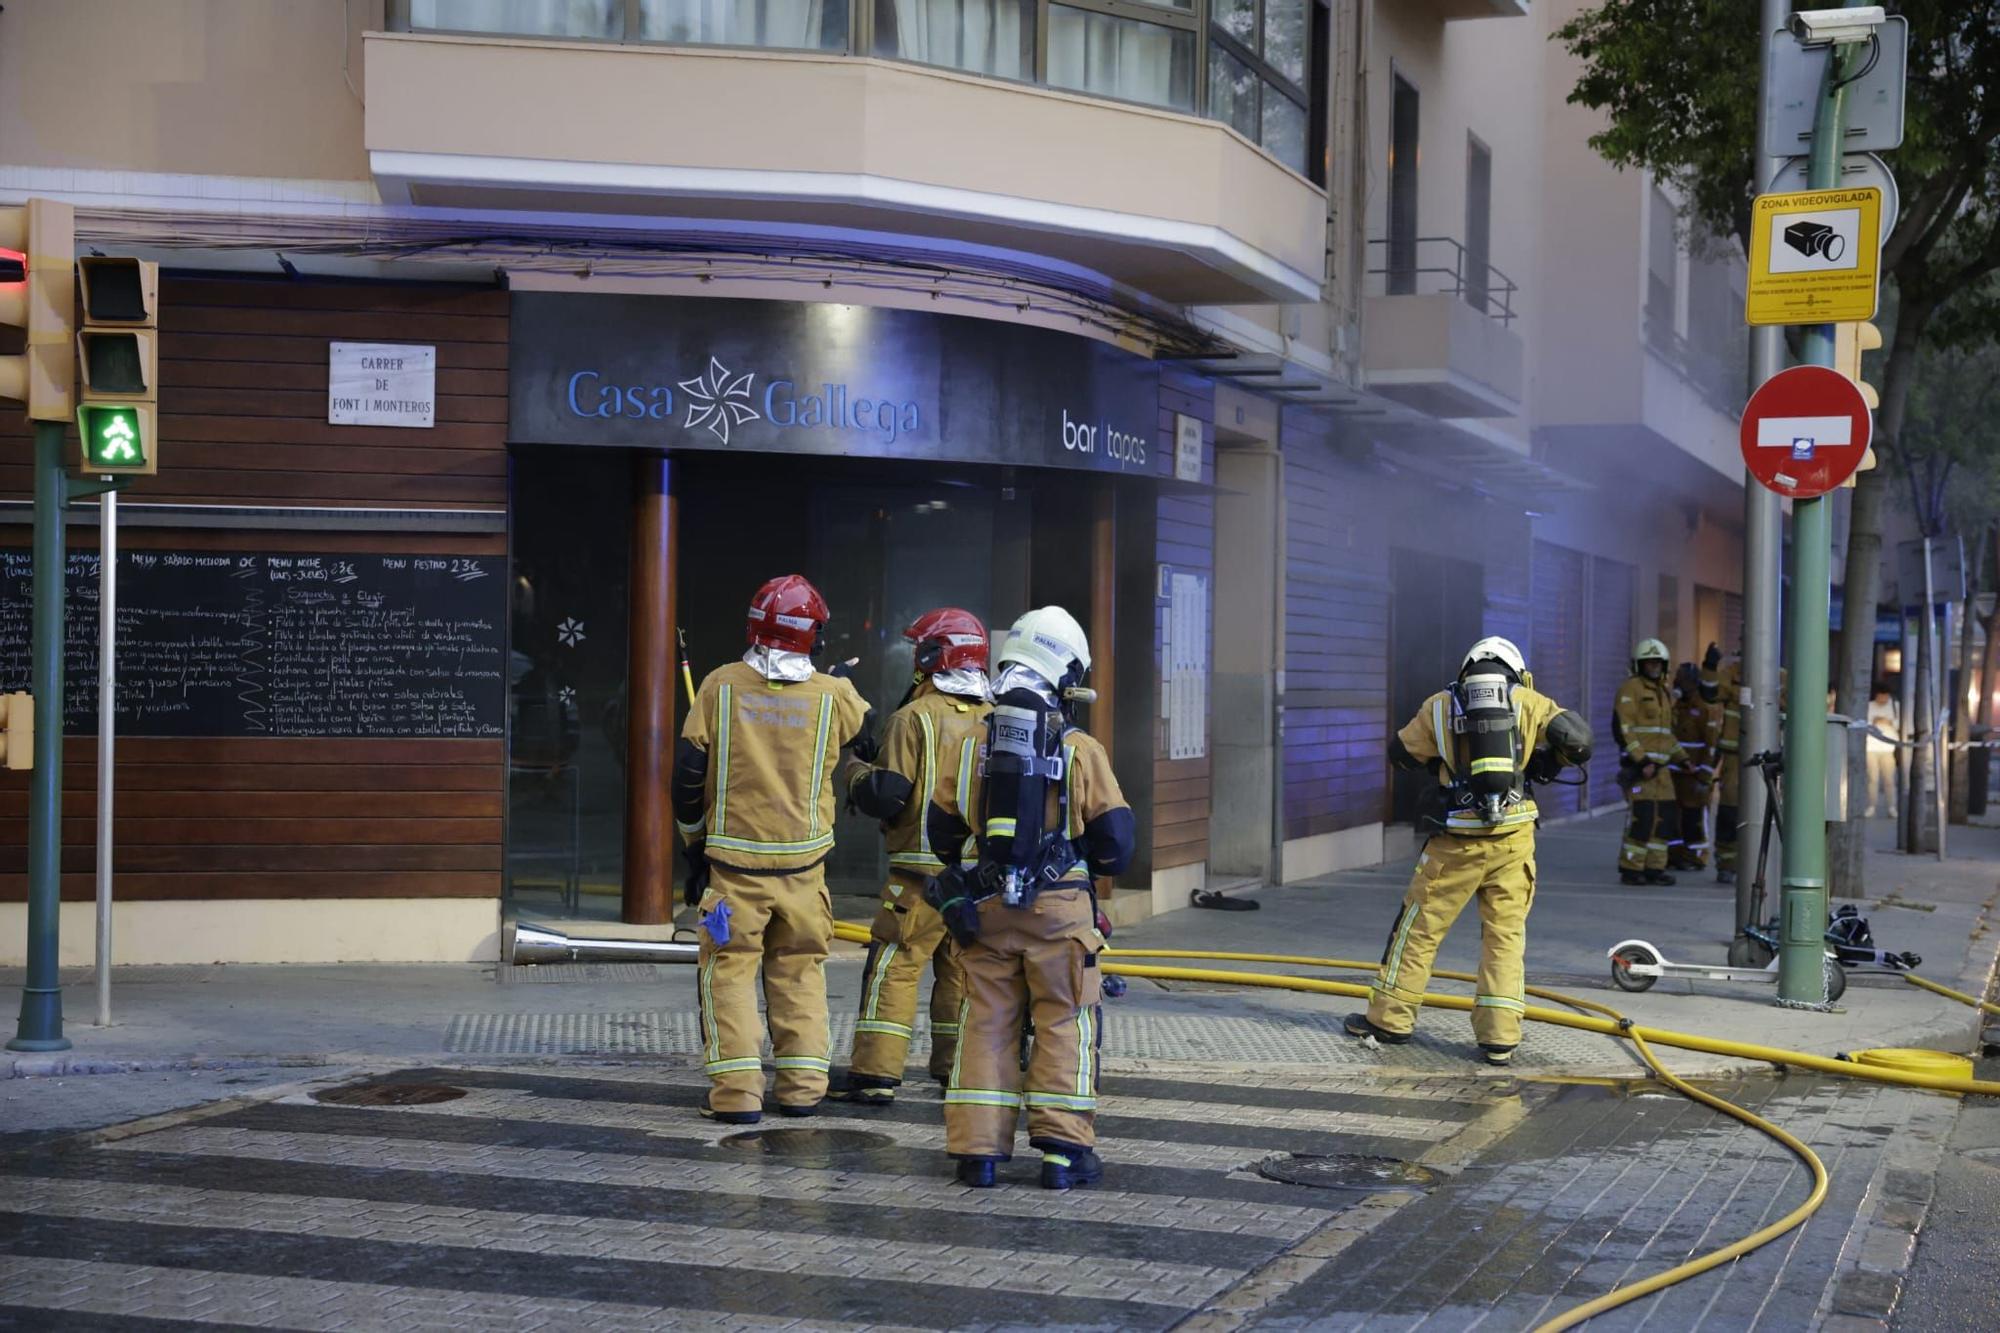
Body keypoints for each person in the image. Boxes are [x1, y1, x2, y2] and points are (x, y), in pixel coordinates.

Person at [925, 607, 1134, 1190]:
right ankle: (1064, 1154)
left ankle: (978, 1157)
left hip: (985, 912)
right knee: (1064, 1022)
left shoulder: (969, 744)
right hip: (1059, 915)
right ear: (1065, 674)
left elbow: (942, 835)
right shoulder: (1078, 748)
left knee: (986, 1024)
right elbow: (1117, 846)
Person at [671, 574, 876, 1124]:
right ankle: (804, 1089)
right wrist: (836, 682)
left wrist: (694, 848)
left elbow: (688, 777)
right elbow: (869, 735)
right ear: (816, 636)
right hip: (805, 873)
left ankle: (737, 1097)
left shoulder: (719, 686)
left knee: (730, 973)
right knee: (800, 972)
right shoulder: (835, 696)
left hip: (733, 872)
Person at [1346, 637, 1592, 1066]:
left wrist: (1441, 762)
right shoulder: (1531, 701)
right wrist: (1544, 763)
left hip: (1456, 840)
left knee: (1419, 929)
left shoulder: (1439, 705)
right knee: (1505, 936)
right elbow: (1580, 740)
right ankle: (1499, 1038)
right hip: (1514, 841)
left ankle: (1389, 1019)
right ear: (1516, 670)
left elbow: (1398, 754)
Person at [837, 608, 994, 1105]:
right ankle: (956, 1068)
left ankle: (876, 1074)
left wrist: (856, 769)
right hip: (976, 877)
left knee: (895, 964)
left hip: (919, 876)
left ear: (932, 656)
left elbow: (887, 796)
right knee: (959, 971)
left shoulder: (913, 719)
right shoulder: (998, 720)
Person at [1615, 638, 1687, 886]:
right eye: (1649, 663)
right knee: (1641, 819)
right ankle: (1631, 868)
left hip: (1662, 774)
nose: (1654, 667)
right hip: (1640, 773)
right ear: (1640, 665)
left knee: (1663, 821)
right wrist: (1641, 760)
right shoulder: (1632, 689)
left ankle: (1655, 868)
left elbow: (1666, 733)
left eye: (1658, 663)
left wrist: (1683, 759)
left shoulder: (1663, 692)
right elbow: (1626, 730)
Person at [1668, 662, 1722, 871]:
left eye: (1684, 681)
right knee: (1674, 817)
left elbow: (1712, 745)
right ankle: (1676, 855)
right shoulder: (1676, 707)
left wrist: (1705, 777)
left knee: (1695, 819)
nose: (1680, 684)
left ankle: (1696, 856)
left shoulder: (1704, 709)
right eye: (1678, 679)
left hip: (1695, 776)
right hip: (1675, 775)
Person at [1865, 684, 1901, 817]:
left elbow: (1901, 723)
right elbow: (1865, 723)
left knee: (1889, 780)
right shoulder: (1869, 706)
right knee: (1872, 779)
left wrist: (1890, 722)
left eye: (1885, 696)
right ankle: (1871, 806)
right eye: (1881, 696)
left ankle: (1891, 807)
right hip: (1871, 747)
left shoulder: (1895, 706)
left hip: (1888, 748)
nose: (1883, 699)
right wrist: (1875, 721)